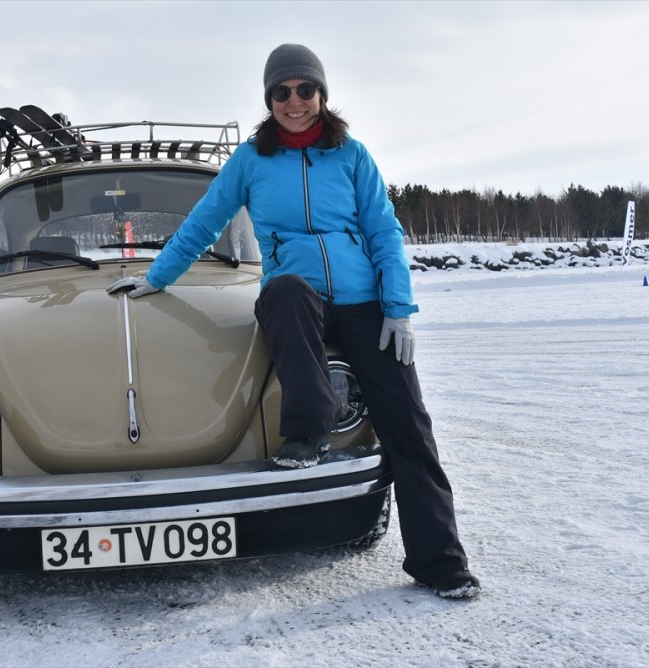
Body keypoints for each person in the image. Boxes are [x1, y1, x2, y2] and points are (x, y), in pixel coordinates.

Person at [107, 44, 480, 600]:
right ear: (269, 100)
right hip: (294, 298)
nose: (294, 101)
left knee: (409, 424)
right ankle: (307, 431)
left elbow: (384, 232)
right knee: (283, 290)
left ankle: (440, 562)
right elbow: (206, 219)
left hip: (362, 302)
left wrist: (398, 309)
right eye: (282, 92)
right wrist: (159, 277)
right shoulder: (252, 160)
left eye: (305, 90)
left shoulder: (352, 155)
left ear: (322, 95)